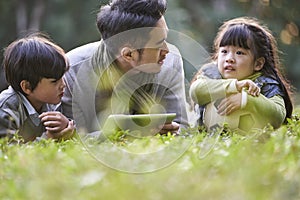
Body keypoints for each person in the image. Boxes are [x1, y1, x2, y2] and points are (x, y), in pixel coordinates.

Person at [62, 0, 188, 135]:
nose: (166, 50)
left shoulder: (170, 62)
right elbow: (71, 136)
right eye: (159, 44)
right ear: (128, 54)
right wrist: (132, 132)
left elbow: (182, 127)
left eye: (165, 39)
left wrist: (173, 130)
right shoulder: (73, 70)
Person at [190, 16, 293, 133]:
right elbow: (195, 91)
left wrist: (247, 100)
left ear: (258, 64)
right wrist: (235, 86)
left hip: (252, 146)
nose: (229, 59)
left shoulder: (266, 83)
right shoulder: (211, 74)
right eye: (224, 51)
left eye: (239, 53)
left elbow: (279, 115)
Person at [0, 33, 75, 142]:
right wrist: (48, 139)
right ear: (27, 87)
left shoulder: (50, 102)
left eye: (62, 77)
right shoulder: (6, 109)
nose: (63, 84)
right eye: (54, 81)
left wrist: (66, 127)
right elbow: (8, 153)